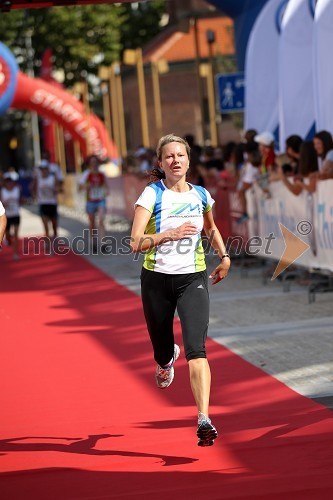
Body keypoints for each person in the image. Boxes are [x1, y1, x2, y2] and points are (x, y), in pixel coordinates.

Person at [130, 134, 231, 447]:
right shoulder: (151, 194)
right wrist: (169, 234)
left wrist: (224, 256)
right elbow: (135, 242)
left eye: (180, 155)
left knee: (197, 350)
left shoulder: (201, 194)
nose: (175, 160)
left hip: (192, 279)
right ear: (161, 163)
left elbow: (211, 227)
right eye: (169, 156)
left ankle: (204, 418)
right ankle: (164, 359)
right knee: (162, 349)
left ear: (189, 161)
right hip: (156, 280)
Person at [79, 155, 108, 251]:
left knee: (101, 219)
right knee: (92, 223)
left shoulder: (101, 174)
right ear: (89, 164)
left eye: (96, 162)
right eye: (92, 162)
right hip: (90, 201)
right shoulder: (86, 174)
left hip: (100, 200)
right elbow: (79, 187)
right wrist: (86, 186)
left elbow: (105, 186)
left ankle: (103, 243)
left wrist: (106, 191)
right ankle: (94, 242)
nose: (94, 164)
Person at [32, 162, 60, 245]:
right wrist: (35, 196)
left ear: (48, 169)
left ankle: (55, 238)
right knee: (45, 225)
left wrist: (56, 190)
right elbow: (32, 187)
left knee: (54, 224)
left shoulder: (52, 178)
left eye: (45, 169)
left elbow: (58, 187)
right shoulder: (38, 179)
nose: (43, 171)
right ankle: (48, 243)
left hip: (52, 203)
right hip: (43, 204)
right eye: (42, 169)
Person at [0, 172, 21, 260]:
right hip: (7, 216)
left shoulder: (17, 190)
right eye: (7, 181)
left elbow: (21, 200)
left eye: (10, 181)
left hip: (16, 215)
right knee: (8, 235)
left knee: (16, 234)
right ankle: (8, 240)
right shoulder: (2, 191)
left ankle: (15, 253)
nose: (9, 183)